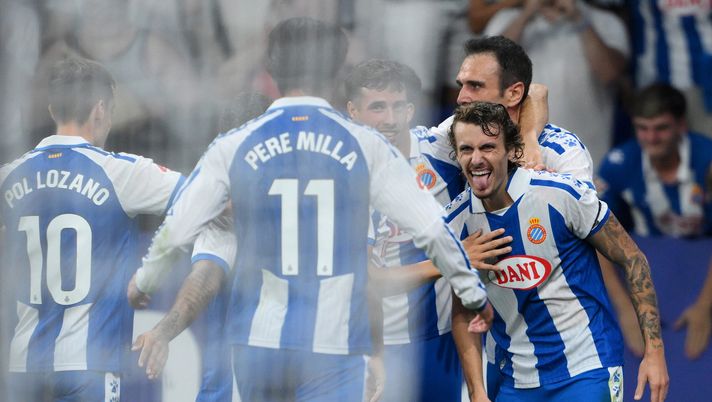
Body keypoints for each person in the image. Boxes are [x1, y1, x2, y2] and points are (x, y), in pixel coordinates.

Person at [128, 17, 493, 402]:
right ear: (336, 72)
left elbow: (179, 225)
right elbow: (434, 229)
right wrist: (473, 294)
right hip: (333, 347)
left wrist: (146, 280)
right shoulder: (364, 145)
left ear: (270, 70)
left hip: (258, 344)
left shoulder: (233, 144)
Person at [445, 101, 669, 402]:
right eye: (466, 150)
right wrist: (476, 391)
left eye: (488, 147)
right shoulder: (455, 222)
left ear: (512, 150)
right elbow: (462, 308)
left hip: (587, 368)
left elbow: (633, 259)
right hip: (516, 378)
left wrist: (654, 353)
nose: (476, 159)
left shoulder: (562, 195)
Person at [0, 57, 185, 401]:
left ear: (53, 109)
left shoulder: (10, 176)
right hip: (90, 367)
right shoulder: (121, 173)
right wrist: (157, 266)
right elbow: (202, 198)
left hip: (20, 369)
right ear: (100, 109)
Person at [344, 59, 512, 402]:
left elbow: (518, 100)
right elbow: (369, 280)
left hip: (442, 342)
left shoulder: (440, 147)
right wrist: (453, 259)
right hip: (376, 346)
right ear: (352, 111)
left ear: (411, 110)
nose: (390, 119)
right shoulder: (347, 180)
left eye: (398, 106)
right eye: (377, 107)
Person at [483, 0, 629, 167]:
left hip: (587, 157)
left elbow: (609, 74)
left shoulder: (605, 21)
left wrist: (580, 20)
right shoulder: (504, 20)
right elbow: (487, 70)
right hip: (521, 159)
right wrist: (525, 15)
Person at [436, 35, 594, 186]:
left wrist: (550, 193)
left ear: (514, 94)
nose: (460, 98)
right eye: (461, 85)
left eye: (476, 86)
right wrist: (528, 137)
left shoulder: (562, 151)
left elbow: (592, 213)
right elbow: (536, 91)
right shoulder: (451, 130)